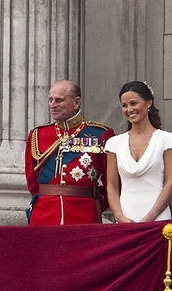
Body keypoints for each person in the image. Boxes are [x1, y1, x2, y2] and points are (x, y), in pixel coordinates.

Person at [25, 80, 115, 225]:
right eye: (50, 100)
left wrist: (94, 205)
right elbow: (32, 181)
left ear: (76, 102)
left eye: (59, 100)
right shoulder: (38, 134)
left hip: (84, 214)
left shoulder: (101, 134)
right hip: (44, 214)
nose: (52, 105)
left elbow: (111, 183)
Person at [104, 81, 172, 222]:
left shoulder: (167, 140)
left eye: (134, 103)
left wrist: (150, 217)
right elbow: (112, 186)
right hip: (125, 219)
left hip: (158, 217)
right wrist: (120, 217)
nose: (129, 109)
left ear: (149, 103)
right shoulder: (114, 143)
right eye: (124, 105)